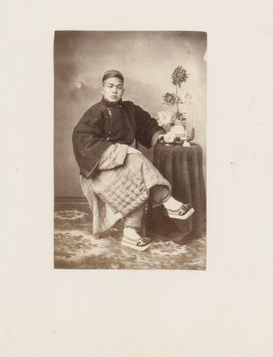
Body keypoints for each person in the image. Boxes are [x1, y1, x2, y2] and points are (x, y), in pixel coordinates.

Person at [71, 69, 195, 250]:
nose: (114, 91)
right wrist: (119, 151)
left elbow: (147, 125)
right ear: (102, 89)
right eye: (110, 86)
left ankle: (130, 233)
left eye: (119, 87)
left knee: (136, 171)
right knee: (137, 161)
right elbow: (82, 140)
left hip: (126, 165)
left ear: (123, 91)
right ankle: (168, 201)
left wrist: (159, 136)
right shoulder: (95, 112)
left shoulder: (130, 109)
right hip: (100, 169)